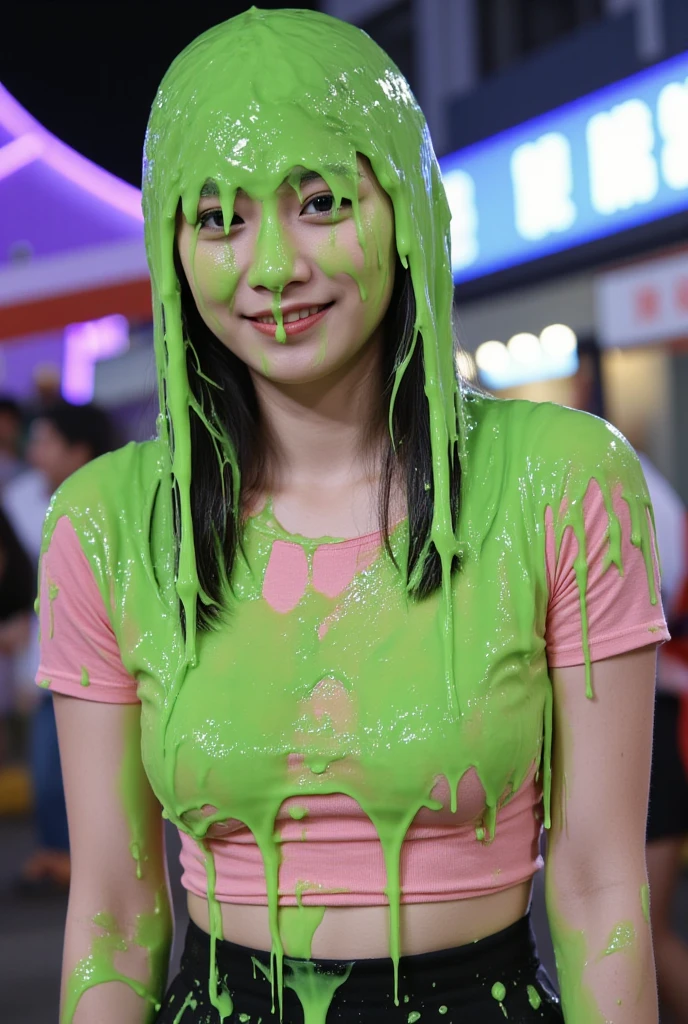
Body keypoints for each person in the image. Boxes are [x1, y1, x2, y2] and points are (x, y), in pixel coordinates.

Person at [37, 10, 668, 1023]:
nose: (274, 266)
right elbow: (112, 911)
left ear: (406, 204)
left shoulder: (562, 479)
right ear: (171, 246)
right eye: (217, 217)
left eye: (321, 201)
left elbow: (599, 886)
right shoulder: (109, 523)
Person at [8, 402, 114, 892]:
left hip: (106, 665)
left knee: (93, 776)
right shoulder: (25, 501)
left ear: (78, 449)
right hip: (49, 664)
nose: (35, 451)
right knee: (50, 772)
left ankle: (89, 864)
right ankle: (60, 857)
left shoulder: (113, 502)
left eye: (46, 440)